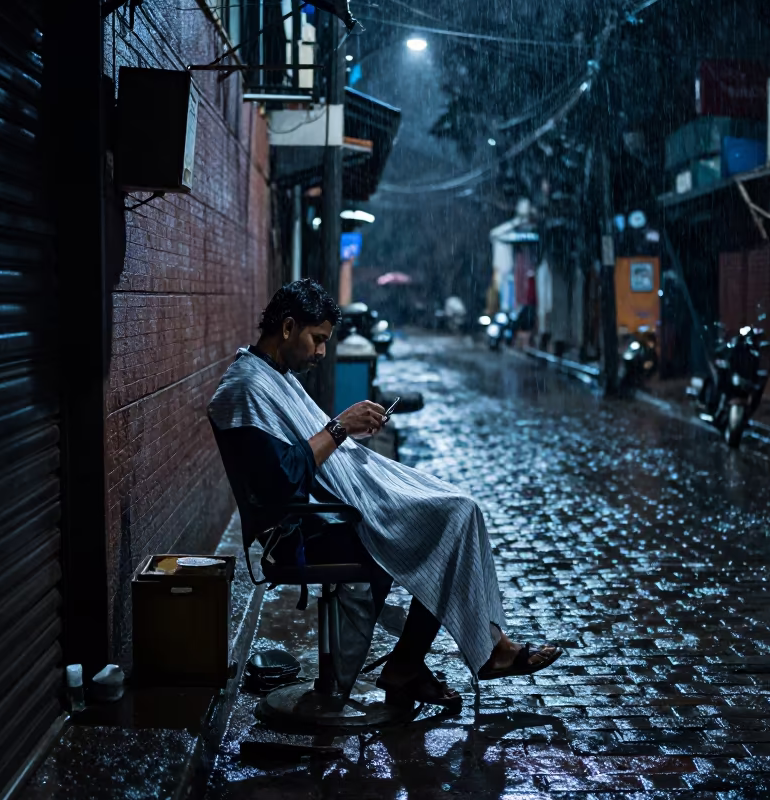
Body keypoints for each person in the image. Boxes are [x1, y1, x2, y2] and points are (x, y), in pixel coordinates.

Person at [208, 279, 562, 708]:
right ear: (287, 327)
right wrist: (340, 428)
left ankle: (453, 653)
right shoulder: (246, 387)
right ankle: (432, 659)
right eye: (317, 339)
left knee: (457, 510)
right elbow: (280, 481)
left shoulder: (273, 376)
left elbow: (310, 452)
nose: (321, 352)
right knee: (450, 522)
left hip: (323, 516)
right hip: (303, 534)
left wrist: (345, 432)